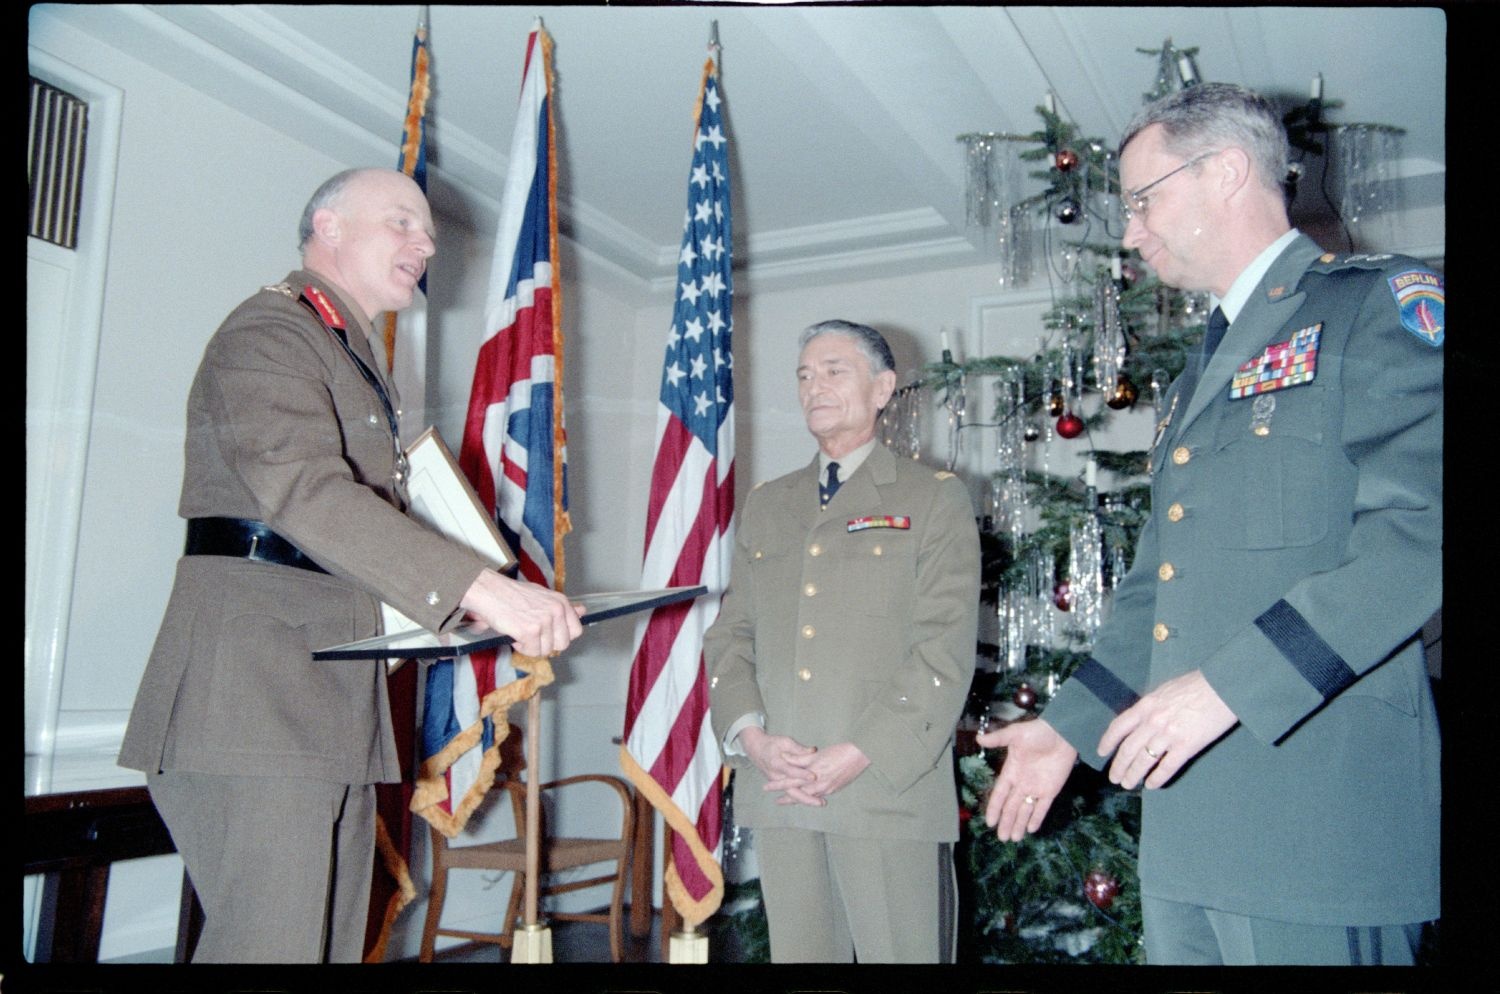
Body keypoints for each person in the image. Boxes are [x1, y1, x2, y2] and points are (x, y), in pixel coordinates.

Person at [980, 83, 1442, 965]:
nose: (1130, 230)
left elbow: (1424, 536)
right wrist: (1066, 729)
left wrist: (1231, 684)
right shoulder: (1204, 369)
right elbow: (1162, 586)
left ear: (1228, 171)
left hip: (1318, 818)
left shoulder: (1373, 307)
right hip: (1190, 827)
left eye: (1145, 198)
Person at [118, 167, 584, 963]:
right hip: (253, 701)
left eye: (428, 230)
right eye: (400, 222)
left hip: (317, 702)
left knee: (327, 950)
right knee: (273, 949)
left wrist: (460, 605)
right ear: (327, 227)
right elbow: (303, 491)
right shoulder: (270, 331)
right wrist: (479, 587)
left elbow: (344, 542)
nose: (426, 242)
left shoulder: (347, 354)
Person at [706, 320, 980, 962]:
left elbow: (941, 650)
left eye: (834, 370)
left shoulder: (932, 499)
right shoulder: (769, 504)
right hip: (784, 788)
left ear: (884, 388)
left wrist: (859, 753)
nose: (814, 386)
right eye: (804, 374)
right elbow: (731, 635)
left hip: (884, 788)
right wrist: (753, 739)